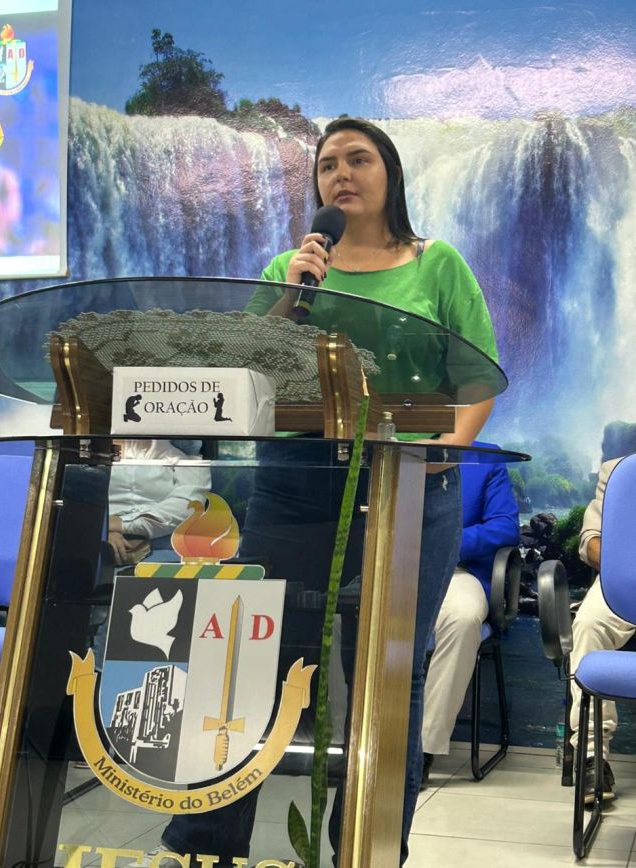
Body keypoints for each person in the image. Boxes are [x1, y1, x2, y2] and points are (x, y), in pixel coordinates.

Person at [143, 117, 499, 868]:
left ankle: (364, 850)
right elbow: (244, 370)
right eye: (328, 163)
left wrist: (440, 455)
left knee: (389, 675)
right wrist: (296, 291)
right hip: (296, 483)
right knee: (251, 659)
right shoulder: (288, 267)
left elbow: (476, 382)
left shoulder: (437, 265)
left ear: (389, 174)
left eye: (358, 159)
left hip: (407, 488)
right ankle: (205, 845)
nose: (341, 173)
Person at [420, 442, 520, 782]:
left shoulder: (486, 456)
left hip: (458, 570)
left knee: (462, 619)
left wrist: (446, 542)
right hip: (389, 566)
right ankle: (345, 743)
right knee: (344, 615)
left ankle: (422, 749)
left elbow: (505, 527)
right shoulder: (388, 447)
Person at [569, 456, 633, 804]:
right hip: (625, 580)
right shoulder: (619, 470)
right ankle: (592, 757)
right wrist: (621, 565)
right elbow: (590, 540)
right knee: (589, 623)